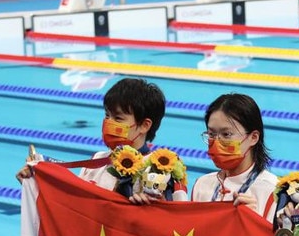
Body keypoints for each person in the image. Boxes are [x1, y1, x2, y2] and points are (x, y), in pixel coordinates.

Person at [16, 77, 187, 204]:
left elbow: (174, 223)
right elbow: (73, 208)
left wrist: (156, 207)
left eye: (118, 118)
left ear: (144, 125)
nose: (108, 123)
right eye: (107, 116)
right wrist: (34, 185)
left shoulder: (161, 169)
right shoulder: (97, 160)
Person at [191, 93, 278, 222]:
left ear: (253, 137)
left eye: (226, 134)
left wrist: (255, 224)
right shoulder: (202, 185)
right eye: (211, 134)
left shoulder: (273, 192)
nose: (216, 142)